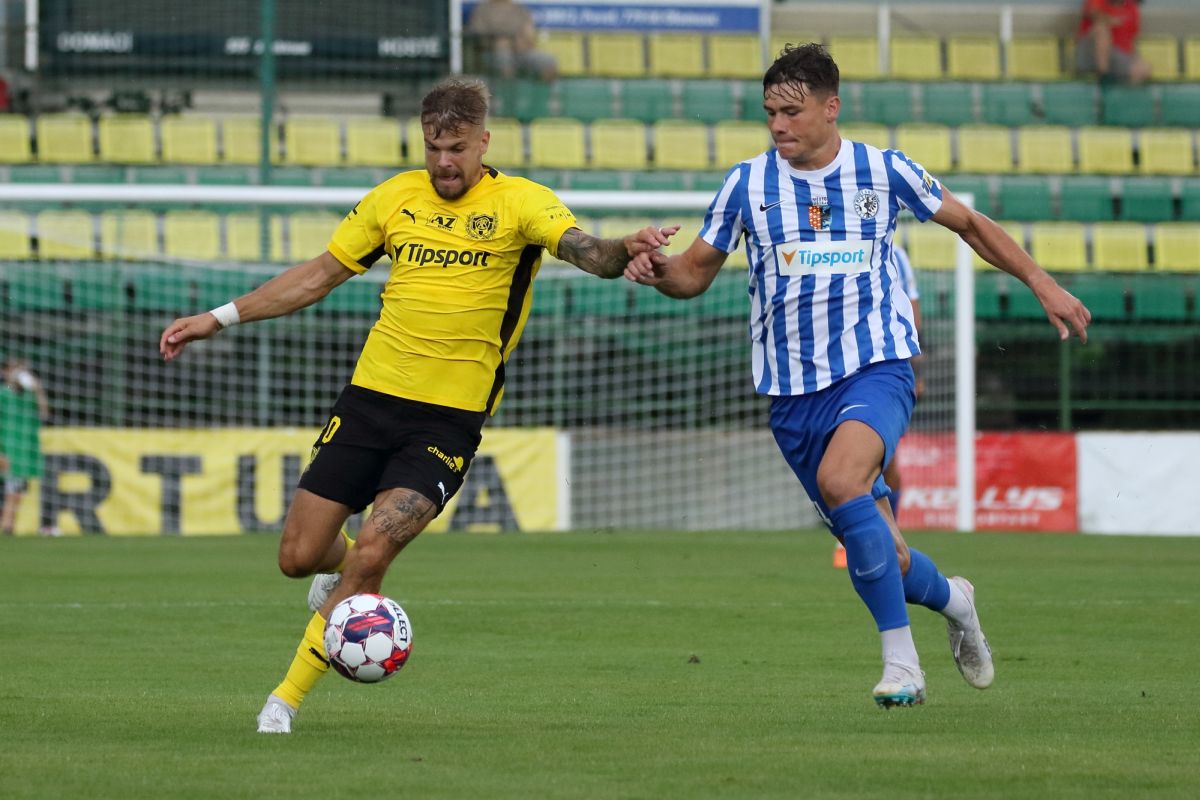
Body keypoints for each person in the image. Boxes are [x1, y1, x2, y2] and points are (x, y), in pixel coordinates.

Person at [159, 77, 672, 733]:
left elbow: (587, 252)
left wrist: (624, 249)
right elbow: (317, 276)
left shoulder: (521, 202)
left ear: (483, 142)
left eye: (457, 148)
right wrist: (218, 317)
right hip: (369, 399)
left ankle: (282, 702)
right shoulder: (394, 197)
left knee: (377, 550)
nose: (444, 162)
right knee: (298, 556)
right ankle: (342, 568)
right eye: (433, 148)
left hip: (447, 420)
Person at [625, 43, 1091, 708]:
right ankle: (956, 600)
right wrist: (655, 269)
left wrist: (1041, 280)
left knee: (842, 480)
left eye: (792, 112)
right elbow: (693, 273)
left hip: (877, 366)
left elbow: (969, 223)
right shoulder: (746, 184)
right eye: (769, 113)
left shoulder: (883, 170)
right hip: (792, 394)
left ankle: (903, 665)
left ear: (831, 107)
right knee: (887, 555)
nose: (778, 125)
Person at [833, 243, 921, 568]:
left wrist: (917, 368)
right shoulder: (829, 246)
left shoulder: (896, 256)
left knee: (885, 464)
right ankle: (855, 536)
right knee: (844, 462)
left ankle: (888, 536)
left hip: (879, 369)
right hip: (835, 371)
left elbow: (913, 312)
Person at [0, 358, 50, 536]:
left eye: (21, 368)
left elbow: (44, 415)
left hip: (23, 452)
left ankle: (8, 528)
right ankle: (7, 527)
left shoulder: (29, 396)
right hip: (6, 449)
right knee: (12, 491)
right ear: (5, 372)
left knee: (15, 492)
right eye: (14, 368)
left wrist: (38, 389)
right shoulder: (2, 394)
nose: (18, 372)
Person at [465, 0, 558, 81]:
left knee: (548, 60)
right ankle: (508, 89)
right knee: (503, 53)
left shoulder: (519, 10)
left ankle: (549, 93)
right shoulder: (483, 9)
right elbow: (478, 36)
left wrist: (524, 42)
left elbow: (529, 34)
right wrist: (499, 41)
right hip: (493, 52)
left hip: (521, 51)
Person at [1075, 0, 1151, 85]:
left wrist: (1136, 60)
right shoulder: (1098, 2)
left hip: (1117, 55)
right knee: (1101, 29)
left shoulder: (1131, 8)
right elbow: (1093, 13)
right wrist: (1110, 20)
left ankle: (1122, 91)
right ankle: (1103, 76)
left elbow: (1133, 42)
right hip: (1091, 52)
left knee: (1143, 68)